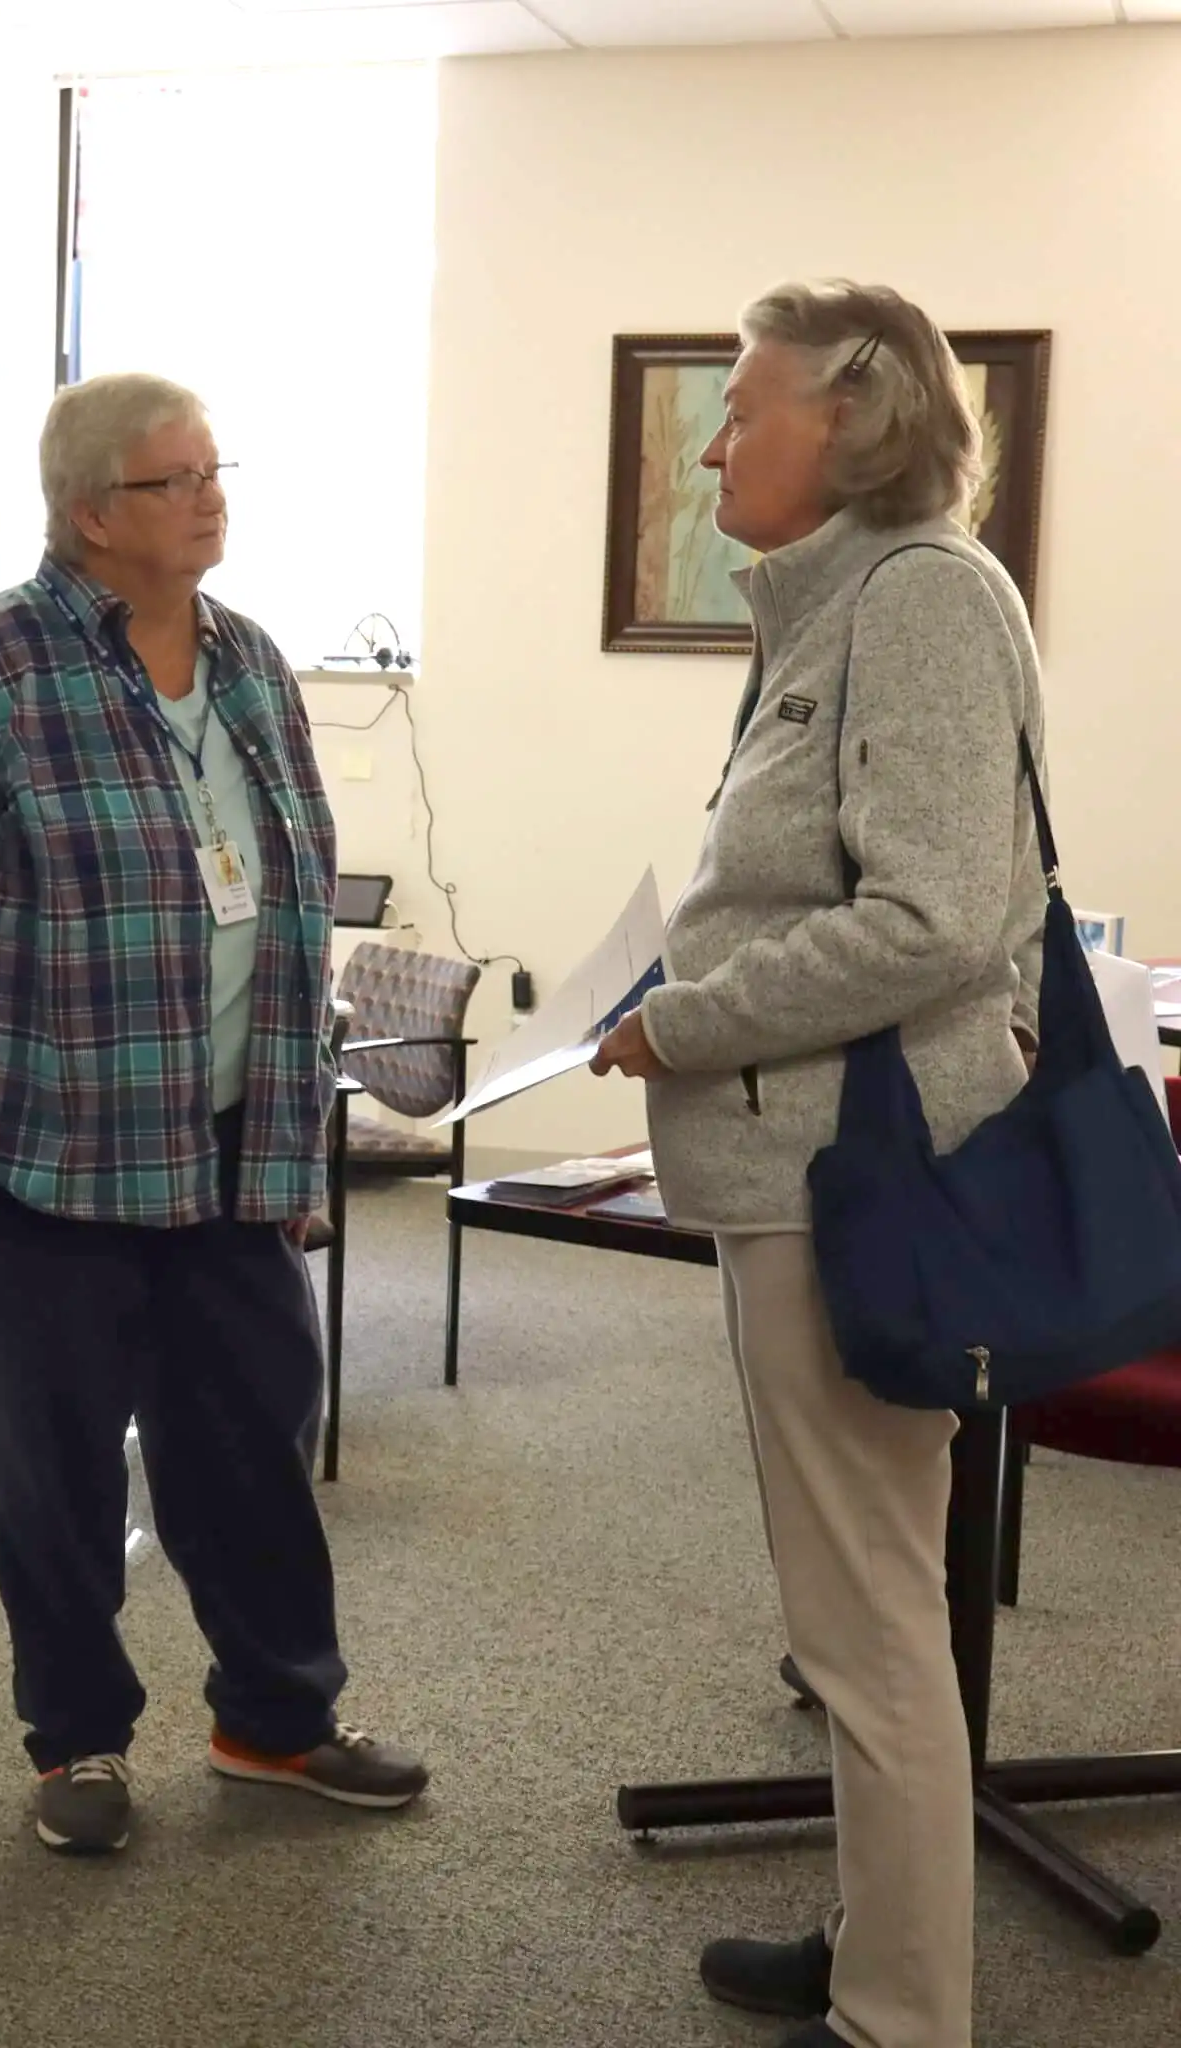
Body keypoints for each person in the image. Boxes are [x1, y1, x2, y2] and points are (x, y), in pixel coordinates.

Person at [0, 372, 428, 1854]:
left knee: (251, 1445)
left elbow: (291, 911)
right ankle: (80, 1743)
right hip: (48, 1153)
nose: (213, 495)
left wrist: (295, 1141)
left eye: (216, 468)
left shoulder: (247, 661)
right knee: (50, 1470)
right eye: (179, 479)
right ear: (94, 513)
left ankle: (276, 1721)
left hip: (231, 1147)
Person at [592, 283, 1048, 2048]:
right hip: (813, 1161)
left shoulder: (919, 600)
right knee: (861, 1607)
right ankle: (881, 1944)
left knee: (863, 1623)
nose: (713, 444)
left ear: (850, 424)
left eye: (743, 410)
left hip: (856, 1177)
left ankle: (902, 2016)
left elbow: (927, 920)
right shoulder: (839, 602)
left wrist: (686, 1021)